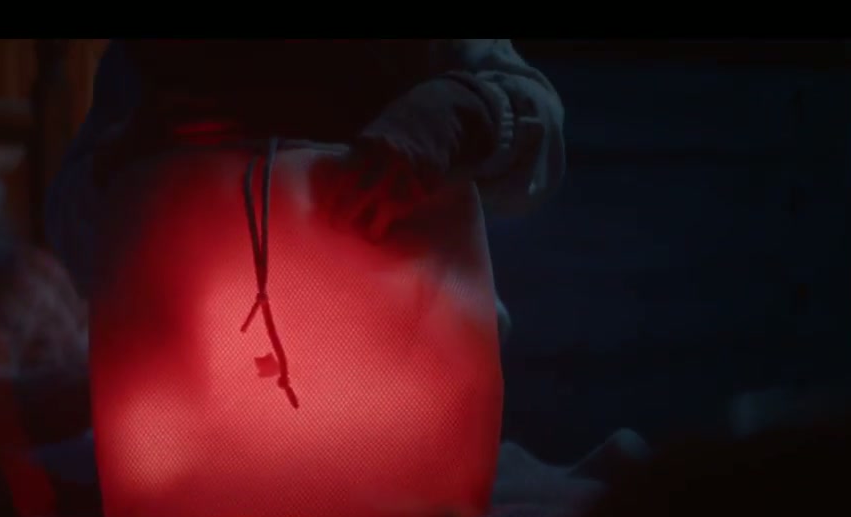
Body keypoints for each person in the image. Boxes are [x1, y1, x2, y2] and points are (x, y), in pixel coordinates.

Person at [44, 39, 567, 340]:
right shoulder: (147, 60)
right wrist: (128, 165)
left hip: (408, 360)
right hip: (197, 384)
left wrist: (467, 110)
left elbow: (537, 131)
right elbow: (72, 231)